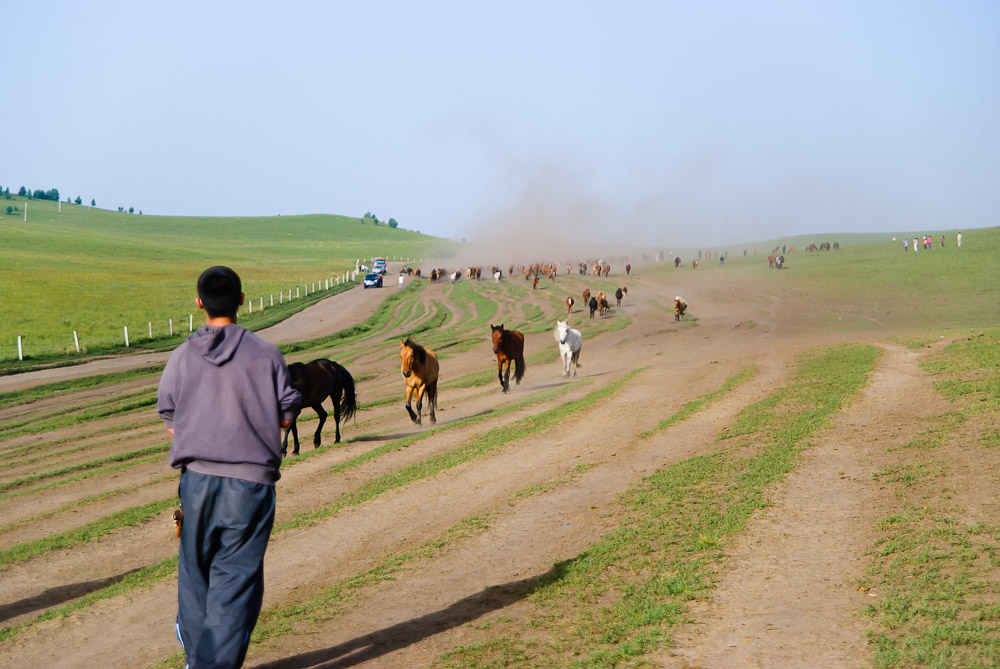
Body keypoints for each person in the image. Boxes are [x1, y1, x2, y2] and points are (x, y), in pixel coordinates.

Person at [157, 266, 301, 669]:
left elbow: (170, 418)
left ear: (199, 302)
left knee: (194, 575)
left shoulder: (182, 356)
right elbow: (287, 413)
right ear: (242, 300)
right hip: (250, 485)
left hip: (197, 481)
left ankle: (196, 657)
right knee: (234, 581)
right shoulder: (268, 354)